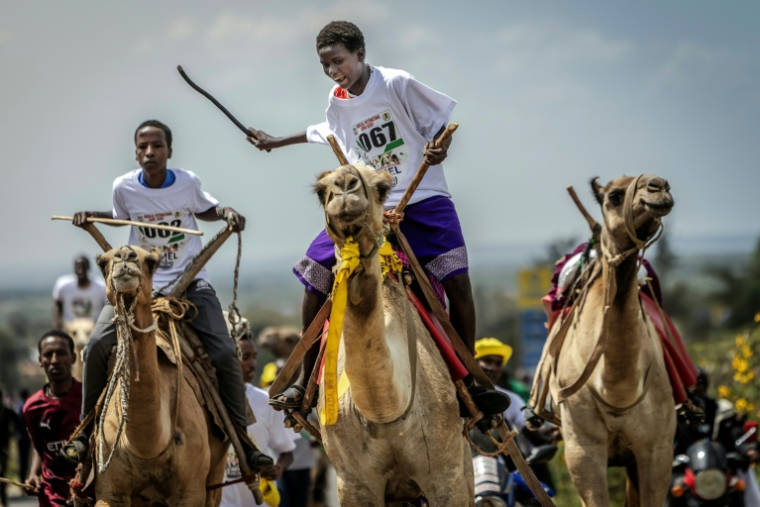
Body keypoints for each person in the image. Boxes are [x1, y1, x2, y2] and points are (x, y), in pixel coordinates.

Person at [247, 20, 508, 419]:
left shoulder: (395, 83)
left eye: (339, 61)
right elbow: (325, 131)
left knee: (458, 282)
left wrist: (441, 147)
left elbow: (438, 125)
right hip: (370, 209)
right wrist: (274, 141)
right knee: (315, 273)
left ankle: (470, 379)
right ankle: (304, 381)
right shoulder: (336, 100)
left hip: (423, 199)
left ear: (360, 55)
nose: (335, 72)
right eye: (326, 66)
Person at [62, 120, 272, 473]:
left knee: (223, 351)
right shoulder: (124, 187)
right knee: (97, 344)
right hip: (141, 285)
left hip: (190, 285)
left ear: (169, 151)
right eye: (143, 147)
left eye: (157, 146)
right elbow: (119, 217)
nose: (149, 153)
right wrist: (89, 217)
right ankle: (84, 433)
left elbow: (206, 208)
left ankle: (243, 439)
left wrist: (225, 213)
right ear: (135, 152)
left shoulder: (187, 182)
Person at [222, 313, 295, 507]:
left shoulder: (264, 401)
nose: (253, 363)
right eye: (245, 357)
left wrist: (277, 468)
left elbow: (287, 452)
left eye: (254, 357)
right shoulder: (202, 402)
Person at [22, 330, 82, 506]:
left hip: (88, 495)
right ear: (40, 360)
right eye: (48, 354)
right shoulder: (32, 408)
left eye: (61, 353)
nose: (55, 360)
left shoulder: (91, 399)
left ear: (73, 358)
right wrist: (33, 474)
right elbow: (39, 445)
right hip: (52, 497)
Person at [52, 256, 106, 329]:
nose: (80, 270)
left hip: (93, 328)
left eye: (83, 267)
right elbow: (58, 303)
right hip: (71, 327)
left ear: (88, 268)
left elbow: (105, 307)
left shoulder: (101, 286)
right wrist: (57, 322)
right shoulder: (63, 285)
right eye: (78, 267)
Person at [0, 388, 19, 507]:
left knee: (2, 474)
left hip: (3, 449)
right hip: (4, 448)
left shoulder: (7, 411)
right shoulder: (7, 411)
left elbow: (17, 424)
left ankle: (3, 498)